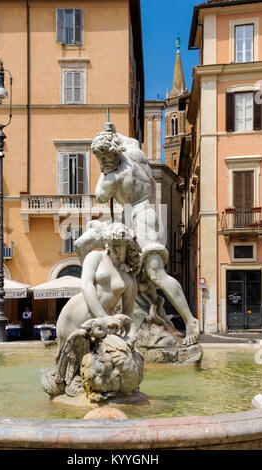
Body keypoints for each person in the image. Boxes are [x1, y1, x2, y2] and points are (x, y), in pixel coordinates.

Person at [91, 122, 200, 346]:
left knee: (155, 274)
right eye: (101, 161)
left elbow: (99, 196)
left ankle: (191, 321)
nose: (104, 164)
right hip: (148, 217)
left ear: (113, 154)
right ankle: (149, 314)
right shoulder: (133, 151)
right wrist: (113, 132)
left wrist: (104, 171)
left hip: (141, 219)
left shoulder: (115, 175)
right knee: (141, 275)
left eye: (105, 160)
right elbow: (131, 140)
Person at [56, 223, 141, 358]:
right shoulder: (96, 257)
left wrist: (131, 334)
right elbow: (86, 285)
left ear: (128, 245)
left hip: (102, 327)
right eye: (110, 243)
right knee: (67, 366)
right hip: (73, 317)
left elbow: (128, 312)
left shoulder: (129, 278)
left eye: (117, 244)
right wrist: (102, 317)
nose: (113, 248)